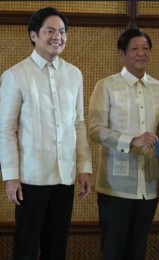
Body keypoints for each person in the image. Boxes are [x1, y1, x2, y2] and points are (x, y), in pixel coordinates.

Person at [0, 7, 92, 259]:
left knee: (57, 247)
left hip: (64, 178)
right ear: (33, 35)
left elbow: (79, 125)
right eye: (50, 31)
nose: (57, 37)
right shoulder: (15, 76)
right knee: (26, 247)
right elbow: (6, 130)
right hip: (30, 179)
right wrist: (11, 176)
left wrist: (84, 167)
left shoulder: (74, 75)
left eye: (62, 32)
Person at [88, 28, 159, 260]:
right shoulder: (106, 86)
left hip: (149, 184)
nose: (141, 53)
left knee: (138, 251)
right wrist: (132, 140)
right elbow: (94, 130)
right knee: (113, 251)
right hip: (115, 185)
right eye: (135, 48)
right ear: (122, 54)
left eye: (145, 48)